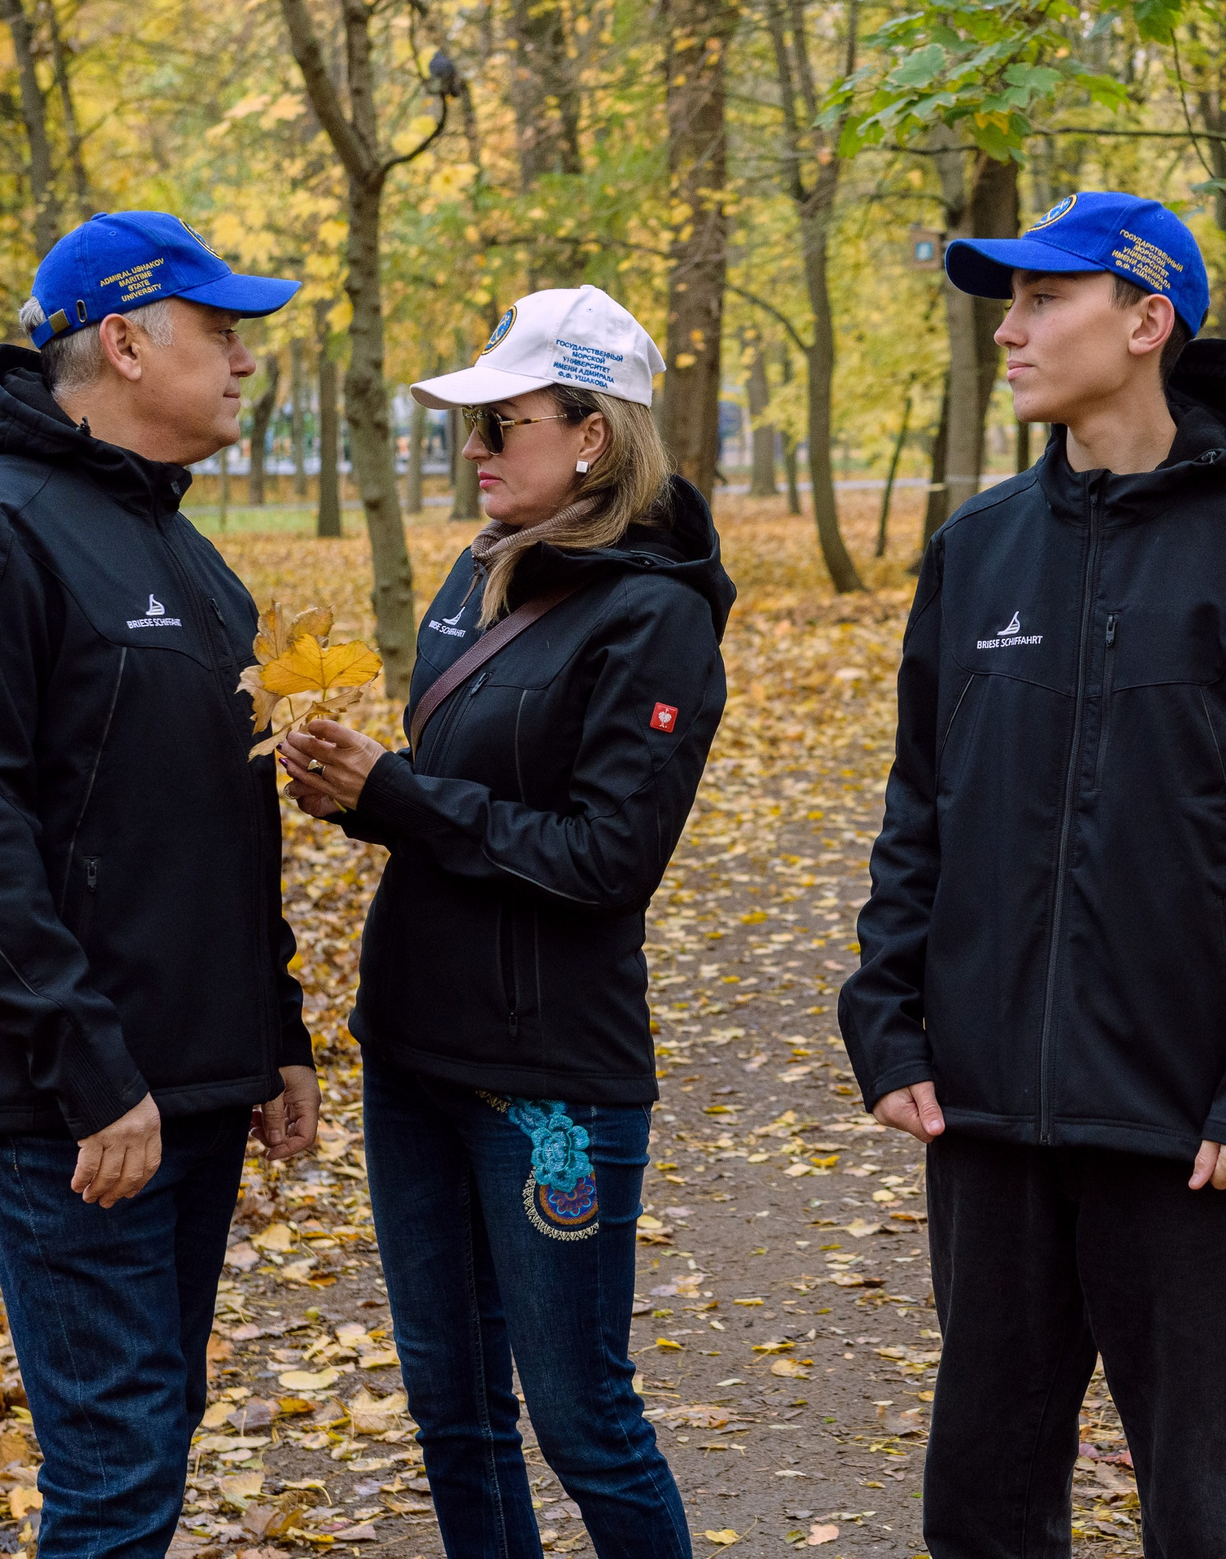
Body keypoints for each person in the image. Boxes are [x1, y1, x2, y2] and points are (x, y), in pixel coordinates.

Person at [839, 192, 1226, 1557]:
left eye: (1044, 300)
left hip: (1193, 1134)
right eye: (1006, 303)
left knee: (1206, 1517)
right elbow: (924, 803)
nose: (1010, 330)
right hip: (990, 1126)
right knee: (979, 1502)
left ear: (1147, 321)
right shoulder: (977, 552)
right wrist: (887, 1013)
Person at [0, 211, 321, 1558]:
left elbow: (216, 818)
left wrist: (273, 1031)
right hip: (73, 1099)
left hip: (188, 1075)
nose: (246, 360)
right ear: (122, 340)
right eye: (221, 329)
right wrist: (88, 1066)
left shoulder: (186, 552)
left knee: (151, 1429)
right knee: (116, 1465)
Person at [279, 286, 730, 1559]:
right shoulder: (474, 579)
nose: (473, 449)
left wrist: (402, 793)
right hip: (414, 1051)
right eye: (467, 425)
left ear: (590, 434)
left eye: (500, 422)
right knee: (453, 1413)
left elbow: (607, 859)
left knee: (582, 1417)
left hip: (547, 1082)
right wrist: (353, 792)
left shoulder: (656, 616)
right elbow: (449, 806)